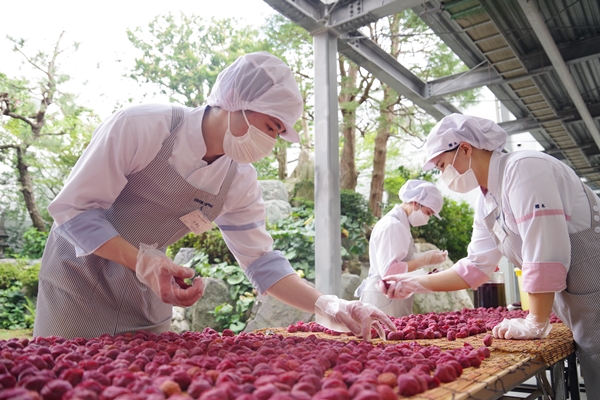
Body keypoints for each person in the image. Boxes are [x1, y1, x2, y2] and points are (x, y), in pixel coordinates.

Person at [33, 52, 395, 341]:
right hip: (77, 278)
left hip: (149, 291)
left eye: (278, 134)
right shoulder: (142, 126)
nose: (269, 143)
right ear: (236, 101)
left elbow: (262, 263)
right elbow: (75, 210)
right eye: (270, 126)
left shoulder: (239, 181)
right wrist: (143, 261)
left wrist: (329, 305)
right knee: (65, 377)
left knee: (142, 382)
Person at [380, 113, 600, 392]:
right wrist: (413, 283)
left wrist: (535, 320)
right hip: (581, 303)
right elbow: (474, 267)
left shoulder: (524, 169)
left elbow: (546, 248)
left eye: (443, 165)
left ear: (466, 149)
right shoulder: (487, 203)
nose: (443, 174)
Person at [355, 179, 447, 317]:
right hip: (383, 299)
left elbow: (402, 259)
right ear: (415, 203)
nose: (427, 219)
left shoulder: (400, 224)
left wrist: (427, 264)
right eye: (428, 213)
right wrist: (424, 261)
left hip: (391, 298)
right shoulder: (393, 226)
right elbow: (389, 271)